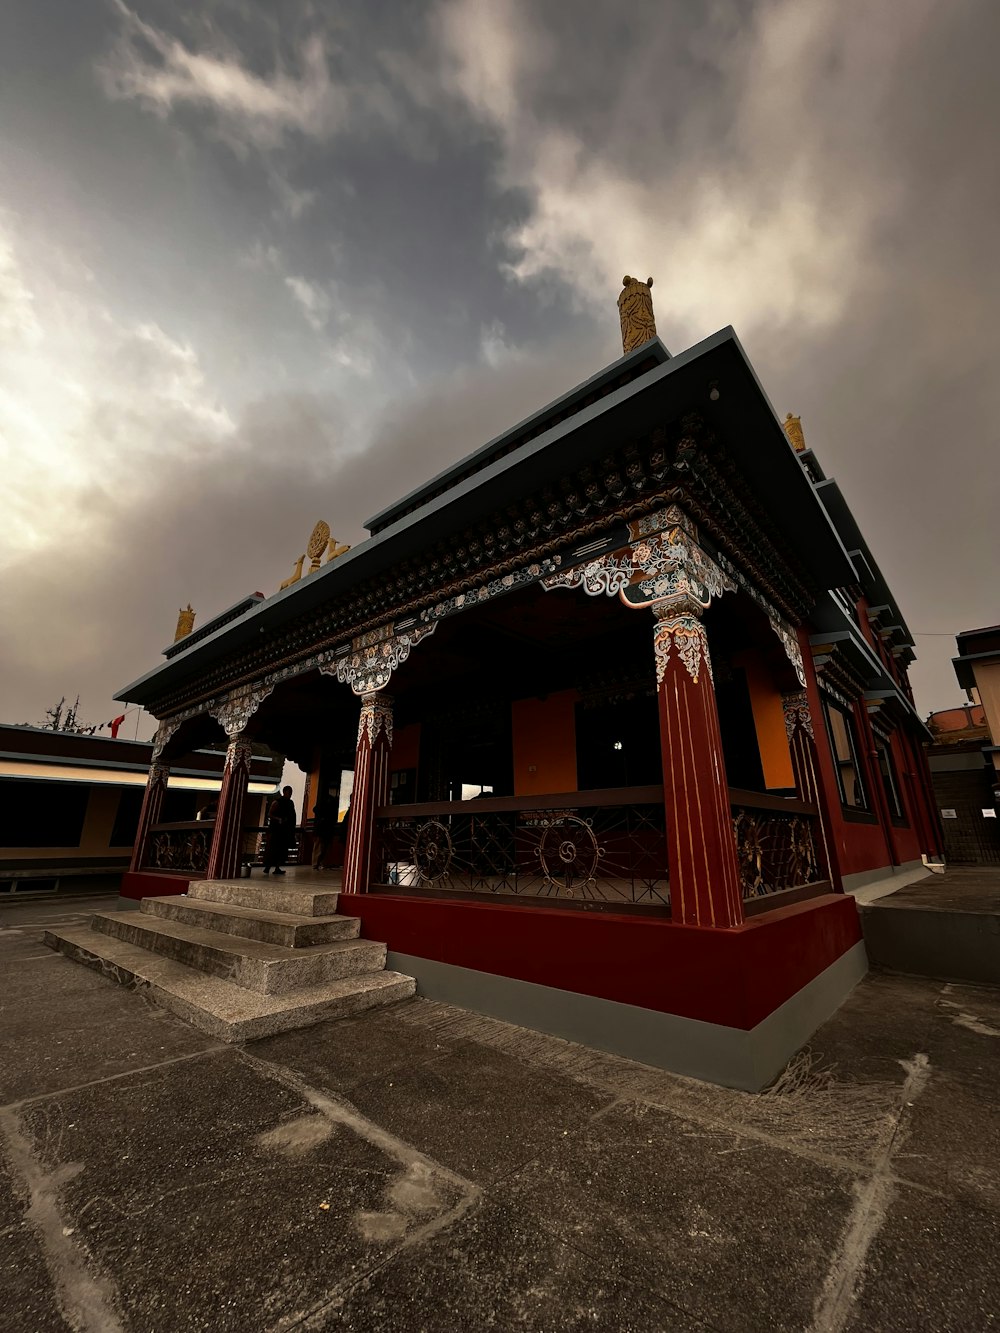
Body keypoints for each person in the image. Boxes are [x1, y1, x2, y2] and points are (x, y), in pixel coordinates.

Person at [262, 786, 296, 875]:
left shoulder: (290, 803)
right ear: (284, 792)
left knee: (282, 850)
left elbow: (292, 816)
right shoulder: (277, 802)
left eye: (291, 792)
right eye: (289, 792)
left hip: (285, 830)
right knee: (273, 848)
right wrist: (278, 819)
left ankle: (277, 867)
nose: (290, 794)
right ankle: (267, 867)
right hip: (276, 830)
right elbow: (270, 814)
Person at [310, 792, 338, 870]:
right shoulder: (331, 808)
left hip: (320, 828)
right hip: (326, 828)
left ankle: (316, 863)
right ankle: (322, 862)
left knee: (319, 846)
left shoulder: (320, 806)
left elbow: (315, 809)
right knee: (324, 846)